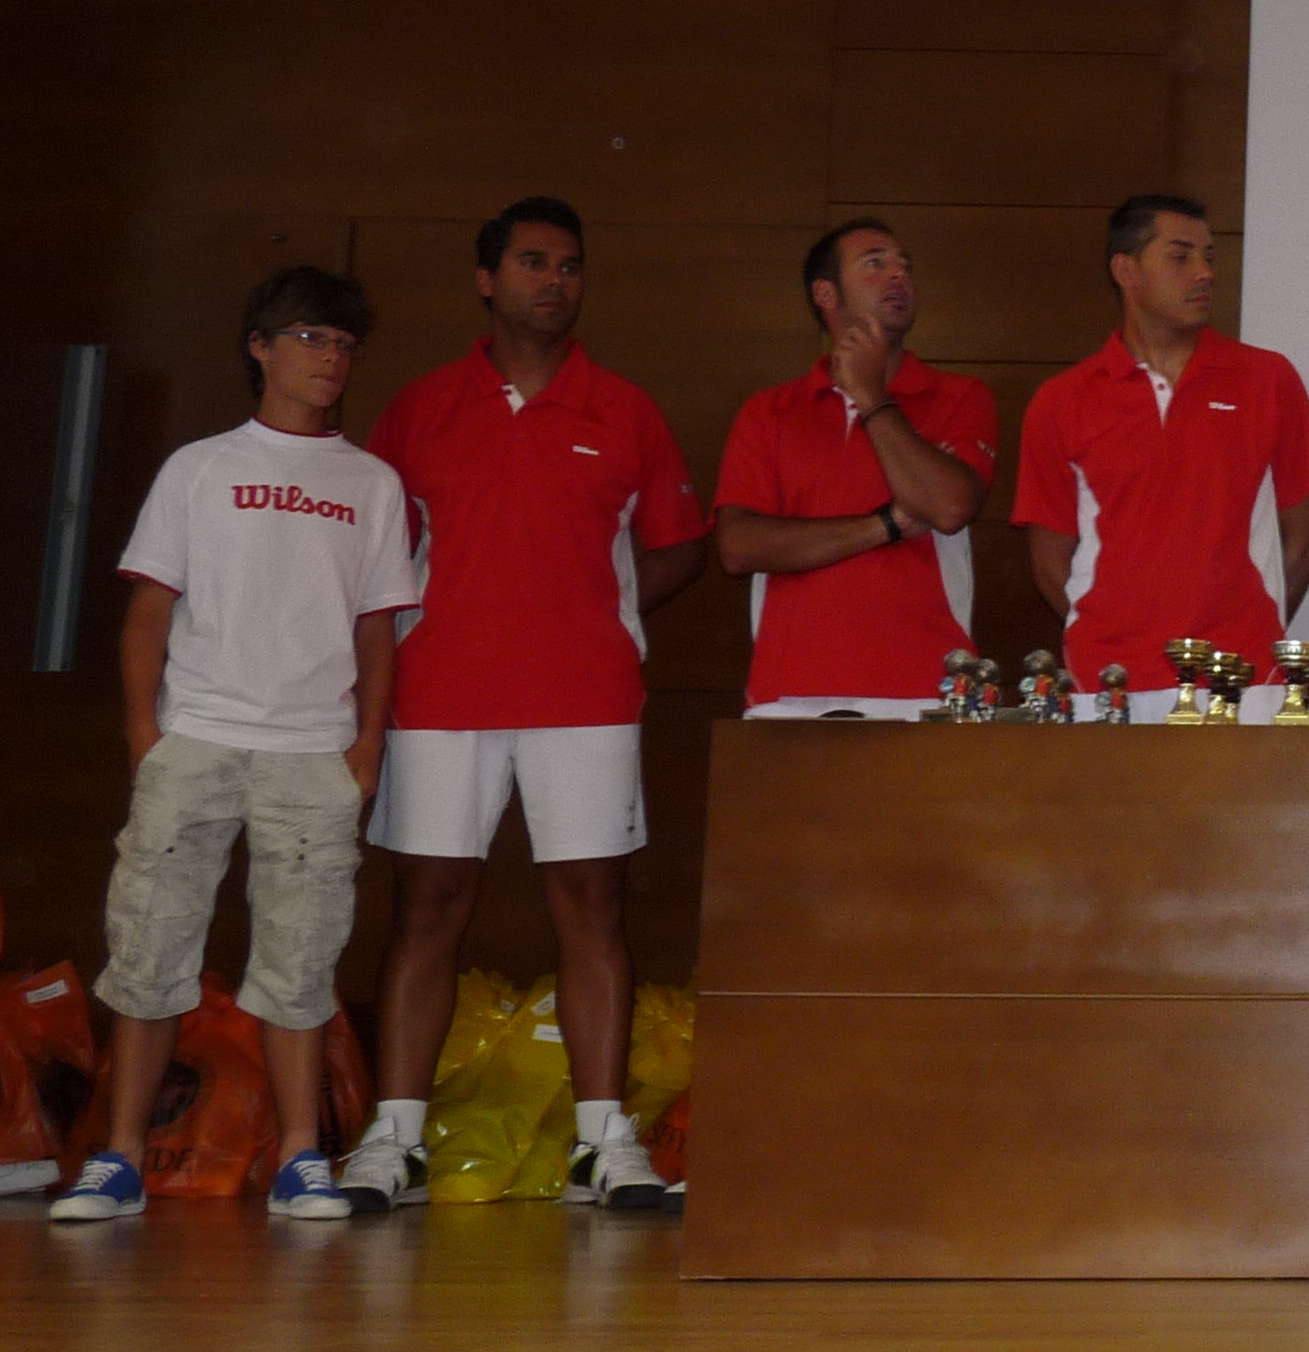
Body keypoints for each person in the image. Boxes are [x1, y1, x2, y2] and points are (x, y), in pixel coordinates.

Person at [345, 198, 709, 1213]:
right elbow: (376, 558)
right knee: (426, 907)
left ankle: (603, 1143)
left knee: (593, 909)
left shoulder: (624, 409)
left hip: (584, 697)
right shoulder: (419, 409)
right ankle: (395, 1142)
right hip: (438, 694)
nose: (555, 281)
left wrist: (595, 611)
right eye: (534, 262)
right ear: (487, 280)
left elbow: (679, 548)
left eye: (570, 266)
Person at [49, 270, 417, 1225]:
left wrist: (368, 747)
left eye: (344, 345)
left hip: (313, 748)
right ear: (260, 346)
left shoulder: (372, 482)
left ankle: (301, 1158)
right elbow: (149, 607)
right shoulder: (199, 467)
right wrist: (146, 735)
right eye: (311, 338)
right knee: (149, 951)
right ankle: (118, 1159)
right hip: (198, 739)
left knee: (301, 964)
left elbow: (378, 626)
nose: (330, 359)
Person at [1018, 193, 1309, 716]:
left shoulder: (1268, 379)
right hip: (1108, 681)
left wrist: (1249, 632)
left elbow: (1304, 544)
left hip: (1243, 679)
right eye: (1180, 257)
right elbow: (1050, 563)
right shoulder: (1063, 400)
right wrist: (1115, 632)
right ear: (1126, 270)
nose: (1204, 273)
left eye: (1209, 256)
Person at [711, 219, 994, 718]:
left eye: (905, 266)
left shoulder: (958, 397)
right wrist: (886, 524)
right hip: (789, 691)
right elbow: (738, 547)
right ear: (826, 293)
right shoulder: (769, 411)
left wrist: (870, 396)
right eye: (875, 263)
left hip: (924, 687)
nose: (899, 275)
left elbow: (949, 507)